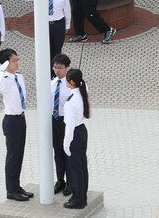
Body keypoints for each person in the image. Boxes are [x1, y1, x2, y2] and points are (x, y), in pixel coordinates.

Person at [0, 48, 33, 202]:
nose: (17, 63)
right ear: (5, 63)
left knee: (19, 155)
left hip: (20, 118)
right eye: (13, 61)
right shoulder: (3, 79)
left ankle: (16, 186)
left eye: (17, 60)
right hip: (11, 120)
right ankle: (11, 190)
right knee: (12, 156)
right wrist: (2, 69)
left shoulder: (19, 77)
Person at [22, 0, 72, 68]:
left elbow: (67, 9)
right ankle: (47, 73)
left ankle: (56, 72)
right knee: (45, 50)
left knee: (57, 50)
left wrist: (67, 25)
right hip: (44, 25)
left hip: (58, 24)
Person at [62, 67, 92, 210]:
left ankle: (77, 199)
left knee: (75, 168)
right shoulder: (82, 91)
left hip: (74, 133)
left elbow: (69, 126)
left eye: (67, 80)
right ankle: (83, 196)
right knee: (82, 166)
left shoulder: (70, 101)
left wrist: (66, 143)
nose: (66, 82)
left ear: (72, 82)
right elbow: (85, 85)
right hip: (82, 130)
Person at [50, 54, 72, 196]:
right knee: (57, 152)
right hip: (54, 120)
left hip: (66, 121)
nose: (57, 70)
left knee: (68, 151)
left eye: (60, 67)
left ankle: (71, 182)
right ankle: (60, 180)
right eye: (55, 67)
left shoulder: (71, 84)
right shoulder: (51, 83)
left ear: (67, 68)